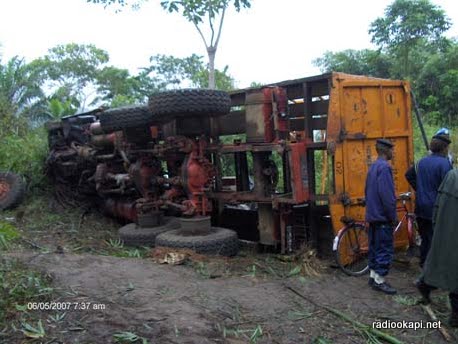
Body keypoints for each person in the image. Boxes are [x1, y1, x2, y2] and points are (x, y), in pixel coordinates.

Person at [416, 169, 458, 328]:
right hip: (450, 233)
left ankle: (424, 284)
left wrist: (436, 226)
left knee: (442, 266)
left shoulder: (452, 176)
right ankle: (456, 316)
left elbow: (437, 204)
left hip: (445, 233)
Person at [405, 129, 452, 268]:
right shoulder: (445, 164)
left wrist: (420, 188)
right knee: (436, 240)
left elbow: (408, 174)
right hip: (436, 208)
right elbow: (449, 186)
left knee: (425, 238)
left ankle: (424, 265)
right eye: (447, 147)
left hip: (420, 208)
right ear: (443, 148)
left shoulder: (421, 162)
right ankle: (431, 272)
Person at [365, 139, 397, 295]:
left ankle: (372, 277)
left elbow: (367, 191)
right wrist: (392, 216)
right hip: (382, 217)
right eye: (392, 150)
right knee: (384, 248)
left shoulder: (373, 167)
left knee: (374, 248)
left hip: (372, 216)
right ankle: (380, 281)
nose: (393, 152)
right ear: (386, 151)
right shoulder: (385, 168)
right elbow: (387, 196)